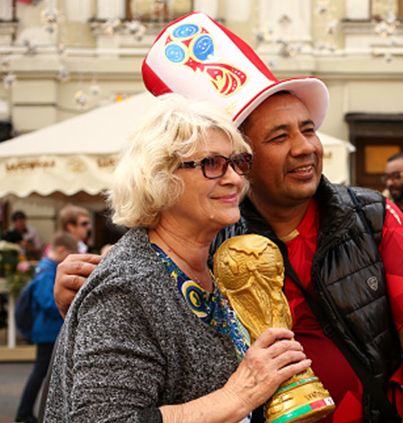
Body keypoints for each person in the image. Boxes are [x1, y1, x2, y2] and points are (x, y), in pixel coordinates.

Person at [54, 12, 403, 422]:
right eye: (279, 137)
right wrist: (83, 301)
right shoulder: (204, 238)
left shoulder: (371, 216)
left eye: (308, 130)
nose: (304, 147)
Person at [44, 94, 310, 422]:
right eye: (212, 164)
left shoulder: (211, 264)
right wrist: (239, 394)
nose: (234, 178)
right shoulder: (127, 287)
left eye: (238, 162)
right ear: (160, 176)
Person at [14, 232, 77, 423]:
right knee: (41, 374)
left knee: (42, 373)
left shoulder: (45, 270)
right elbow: (49, 303)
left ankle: (26, 412)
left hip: (47, 331)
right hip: (48, 332)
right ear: (60, 250)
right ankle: (24, 413)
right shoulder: (46, 272)